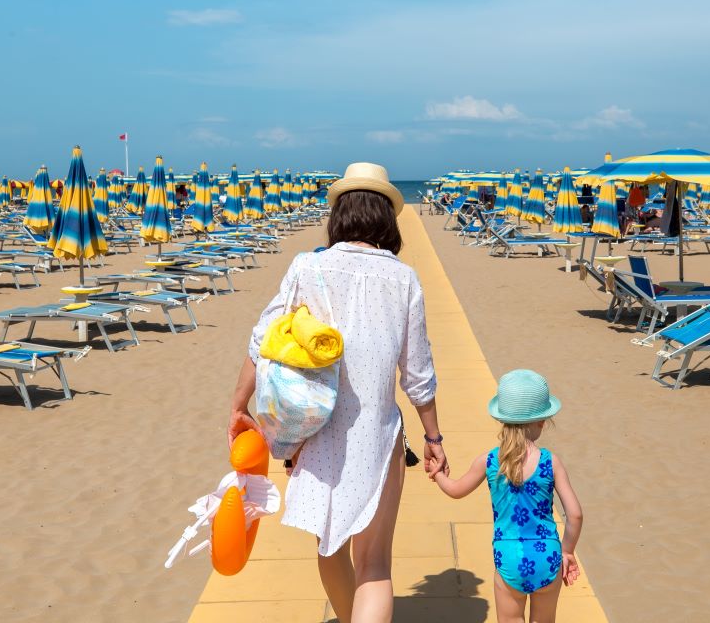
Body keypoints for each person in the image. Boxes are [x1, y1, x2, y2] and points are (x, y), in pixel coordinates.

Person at [228, 162, 448, 623]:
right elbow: (419, 374)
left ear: (339, 215)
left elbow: (261, 340)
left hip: (317, 433)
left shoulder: (307, 267)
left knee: (330, 549)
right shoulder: (403, 279)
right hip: (378, 437)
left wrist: (238, 404)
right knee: (375, 564)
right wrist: (433, 438)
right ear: (386, 220)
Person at [431, 370, 583, 623]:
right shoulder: (550, 462)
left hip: (509, 554)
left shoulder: (490, 461)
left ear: (502, 420)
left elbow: (456, 490)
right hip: (547, 553)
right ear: (542, 422)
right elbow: (575, 514)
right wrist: (567, 552)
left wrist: (438, 474)